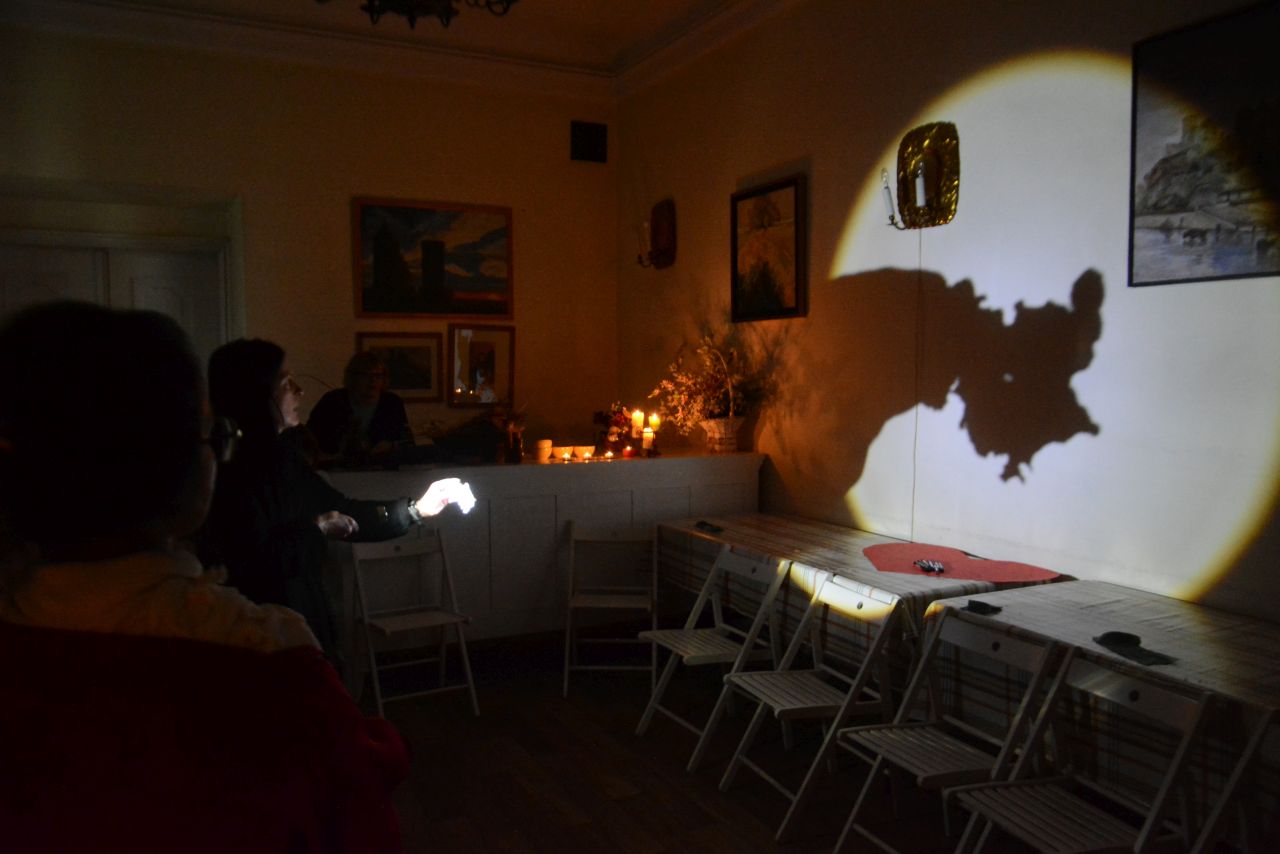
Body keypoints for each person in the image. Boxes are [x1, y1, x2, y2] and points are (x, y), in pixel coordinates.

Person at [0, 302, 409, 852]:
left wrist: (413, 511)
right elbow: (357, 819)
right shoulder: (269, 660)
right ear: (185, 466)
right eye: (213, 433)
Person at [201, 338, 441, 661]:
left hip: (293, 624)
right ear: (257, 394)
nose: (299, 391)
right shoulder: (234, 470)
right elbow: (251, 561)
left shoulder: (283, 459)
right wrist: (317, 528)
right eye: (287, 383)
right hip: (266, 637)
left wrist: (416, 509)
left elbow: (343, 510)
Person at [307, 351, 412, 466]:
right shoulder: (333, 401)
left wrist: (391, 446)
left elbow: (405, 440)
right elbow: (309, 438)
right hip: (337, 468)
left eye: (378, 376)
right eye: (367, 375)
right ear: (354, 377)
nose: (373, 381)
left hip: (381, 468)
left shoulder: (392, 403)